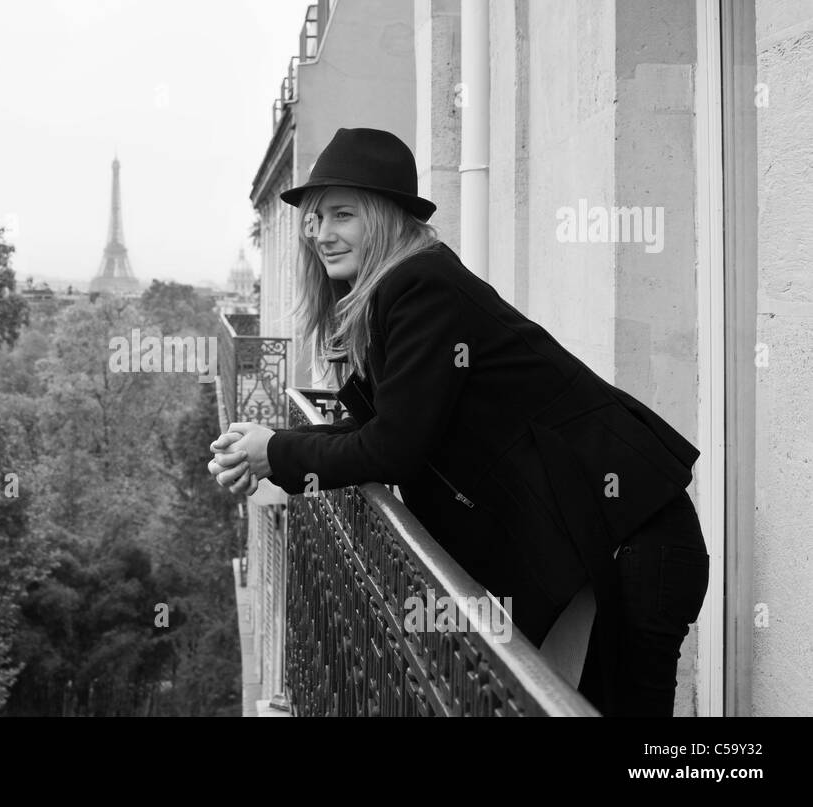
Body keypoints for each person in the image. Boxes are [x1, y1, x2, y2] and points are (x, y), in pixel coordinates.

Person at [207, 127, 710, 717]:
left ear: (387, 217)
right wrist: (271, 448)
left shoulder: (421, 286)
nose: (321, 233)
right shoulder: (405, 288)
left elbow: (392, 448)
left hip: (635, 542)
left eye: (343, 214)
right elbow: (389, 428)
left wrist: (277, 453)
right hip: (612, 542)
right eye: (316, 218)